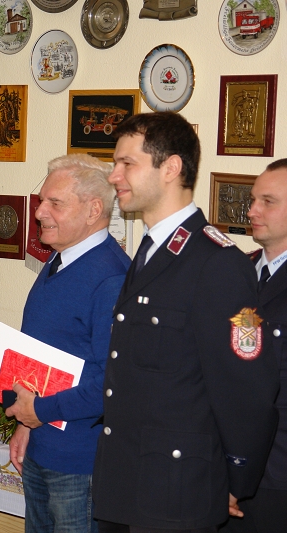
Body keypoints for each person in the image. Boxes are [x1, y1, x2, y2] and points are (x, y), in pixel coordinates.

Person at [92, 111, 279, 533]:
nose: (114, 176)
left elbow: (246, 392)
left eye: (127, 163)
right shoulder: (151, 250)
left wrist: (235, 479)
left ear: (171, 168)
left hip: (178, 493)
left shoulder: (216, 263)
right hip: (126, 485)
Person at [5, 154, 130, 533]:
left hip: (80, 463)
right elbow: (42, 352)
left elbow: (112, 382)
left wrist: (39, 411)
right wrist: (26, 423)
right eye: (42, 200)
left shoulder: (111, 277)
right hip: (41, 446)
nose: (39, 212)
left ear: (94, 210)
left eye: (54, 203)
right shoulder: (60, 259)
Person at [219, 159, 287, 533]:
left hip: (277, 474)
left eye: (268, 201)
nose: (252, 211)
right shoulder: (237, 273)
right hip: (223, 465)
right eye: (253, 200)